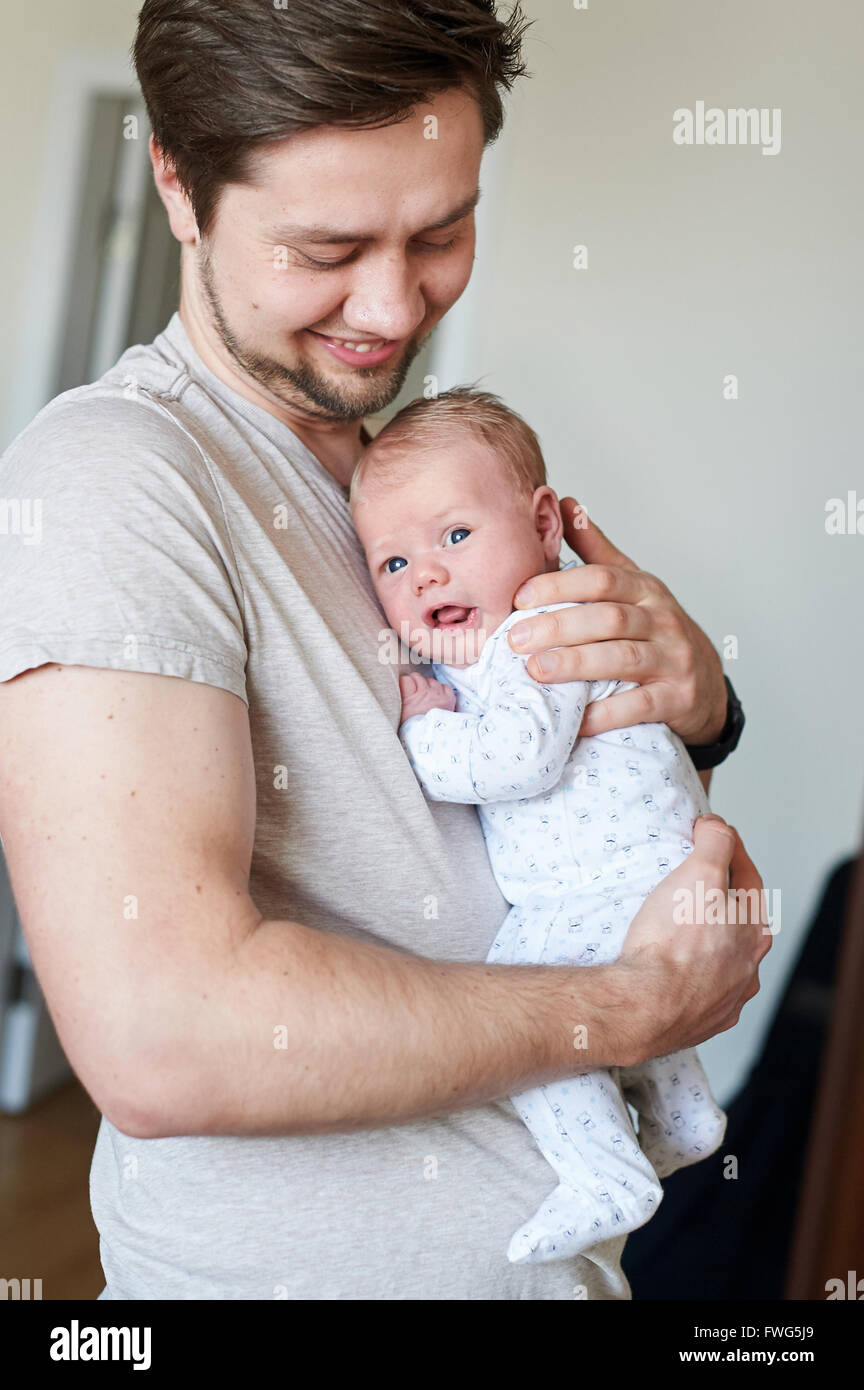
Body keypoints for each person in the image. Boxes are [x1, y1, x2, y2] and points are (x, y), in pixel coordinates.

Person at [0, 0, 767, 1300]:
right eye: (330, 245)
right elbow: (162, 1038)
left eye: (443, 230)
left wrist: (699, 701)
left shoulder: (401, 488)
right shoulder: (112, 481)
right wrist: (642, 1001)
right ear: (179, 186)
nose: (392, 302)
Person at [349, 385, 729, 1265]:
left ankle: (605, 1175)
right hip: (634, 873)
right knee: (617, 974)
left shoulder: (539, 632)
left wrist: (423, 727)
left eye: (454, 536)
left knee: (528, 992)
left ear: (545, 523)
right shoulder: (503, 638)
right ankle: (681, 1114)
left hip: (612, 879)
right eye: (393, 564)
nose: (428, 574)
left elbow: (517, 762)